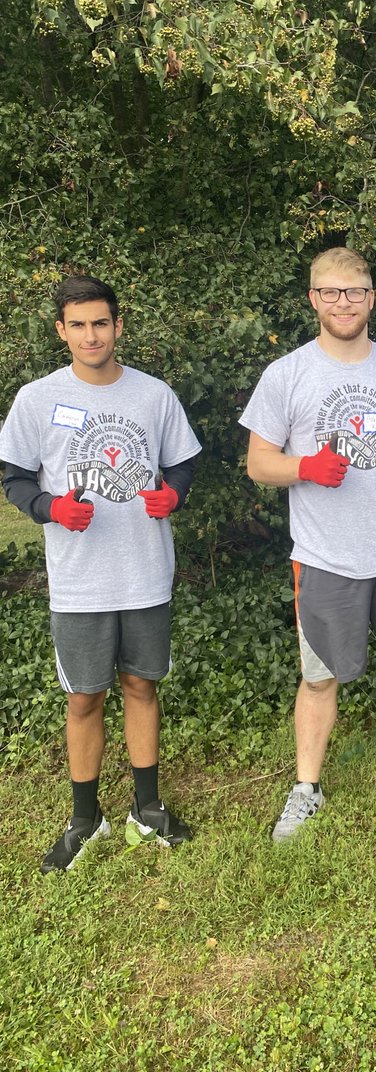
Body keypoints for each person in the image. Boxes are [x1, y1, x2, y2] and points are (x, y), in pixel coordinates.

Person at [240, 246, 376, 841]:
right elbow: (259, 463)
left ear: (371, 298)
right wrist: (306, 468)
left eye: (356, 292)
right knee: (319, 678)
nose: (344, 303)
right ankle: (305, 789)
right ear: (314, 298)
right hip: (324, 555)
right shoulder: (287, 374)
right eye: (332, 292)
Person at [0, 274, 201, 872]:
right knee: (85, 696)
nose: (92, 335)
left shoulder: (153, 395)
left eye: (101, 323)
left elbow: (182, 463)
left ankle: (148, 808)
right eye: (79, 325)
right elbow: (14, 477)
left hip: (144, 571)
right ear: (61, 330)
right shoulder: (37, 399)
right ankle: (85, 820)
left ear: (118, 326)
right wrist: (49, 508)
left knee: (142, 686)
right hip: (79, 580)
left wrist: (175, 495)